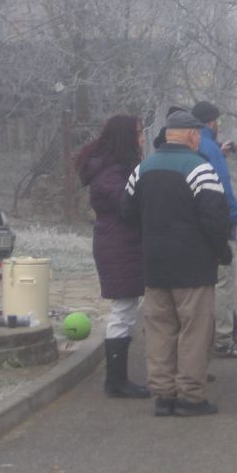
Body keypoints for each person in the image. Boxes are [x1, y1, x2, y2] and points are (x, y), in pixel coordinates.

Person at [121, 110, 232, 416]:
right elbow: (215, 219)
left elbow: (126, 211)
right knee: (194, 332)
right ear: (193, 136)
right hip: (193, 267)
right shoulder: (200, 169)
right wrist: (221, 252)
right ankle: (190, 397)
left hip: (155, 264)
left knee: (160, 331)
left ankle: (163, 395)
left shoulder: (143, 168)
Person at [76, 114, 150, 399]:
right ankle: (116, 381)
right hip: (119, 246)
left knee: (127, 310)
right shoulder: (110, 173)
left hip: (122, 244)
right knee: (123, 311)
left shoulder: (113, 168)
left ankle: (118, 379)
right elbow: (128, 205)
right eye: (139, 133)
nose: (142, 138)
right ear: (126, 137)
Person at [190, 100, 237, 359]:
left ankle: (201, 338)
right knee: (223, 283)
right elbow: (222, 187)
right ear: (211, 122)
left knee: (200, 286)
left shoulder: (194, 145)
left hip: (193, 228)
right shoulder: (211, 149)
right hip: (218, 227)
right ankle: (224, 338)